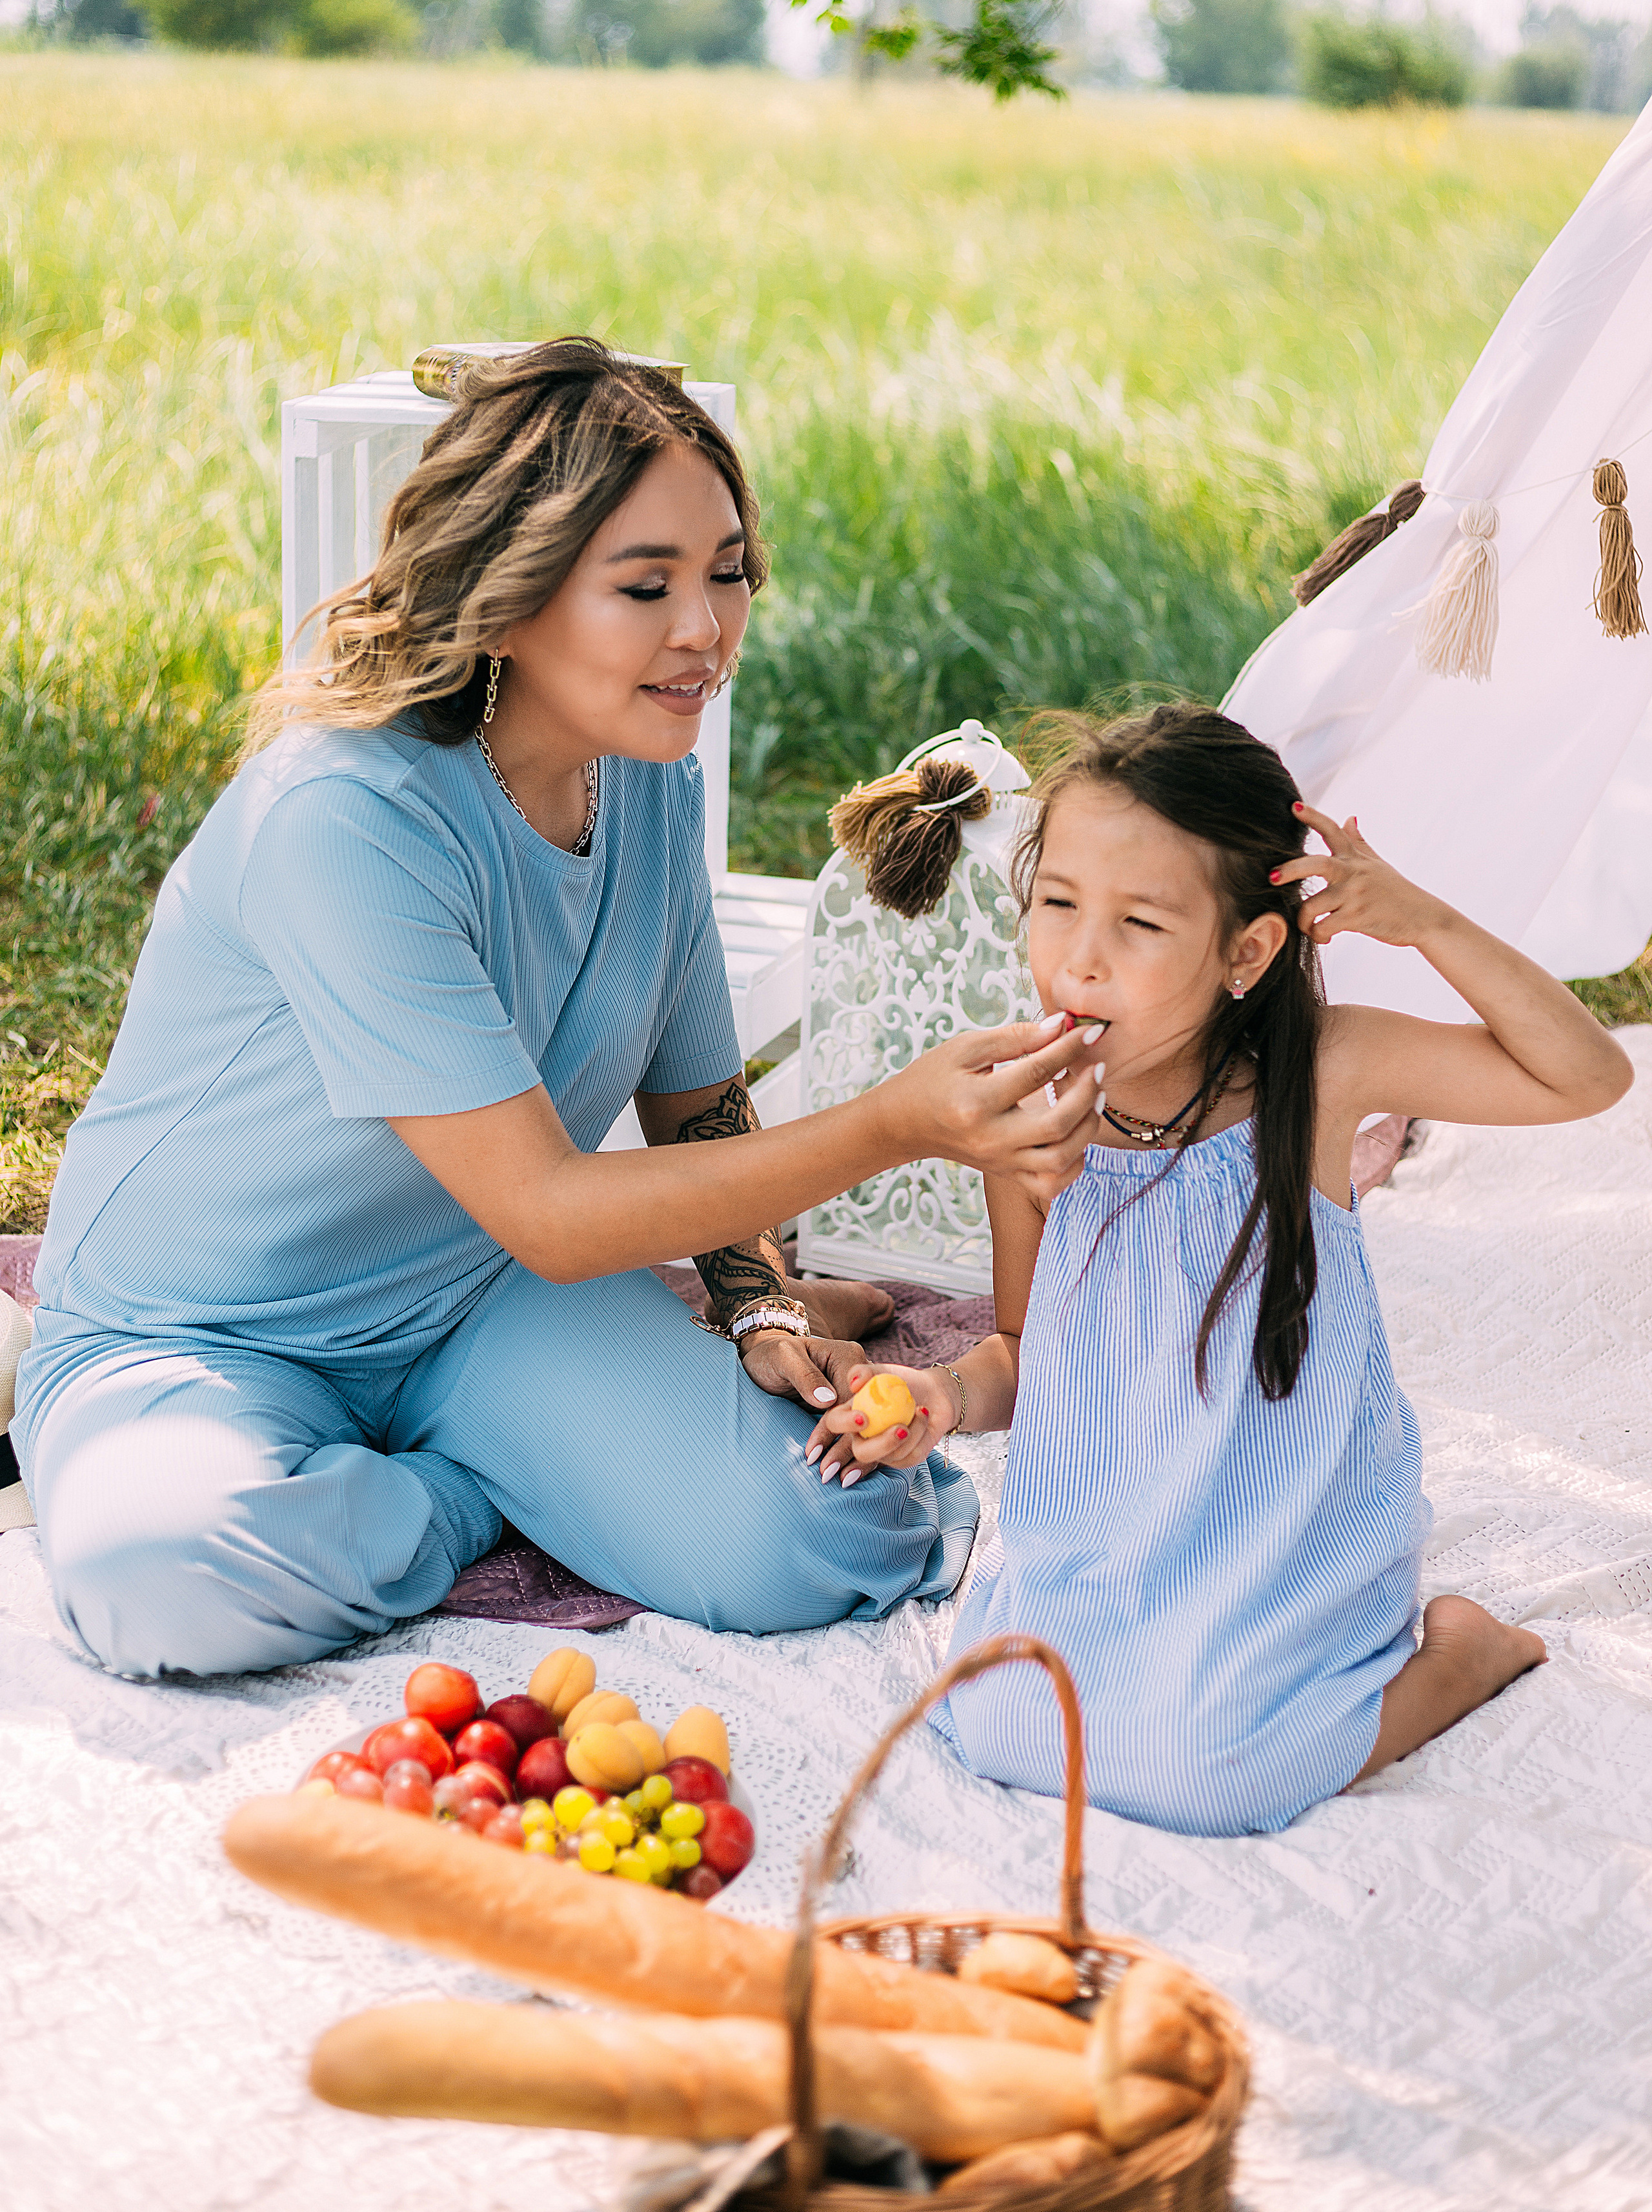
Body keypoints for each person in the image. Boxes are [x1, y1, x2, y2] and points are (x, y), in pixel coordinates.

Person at [13, 339, 1105, 1678]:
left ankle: (441, 1465)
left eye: (725, 576)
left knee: (834, 1529)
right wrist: (900, 1124)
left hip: (484, 1300)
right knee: (167, 1584)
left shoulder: (643, 774)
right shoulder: (342, 819)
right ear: (505, 598)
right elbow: (544, 1202)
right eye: (643, 586)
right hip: (210, 1328)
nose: (701, 630)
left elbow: (695, 1098)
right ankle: (472, 1493)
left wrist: (757, 1304)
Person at [805, 704, 1632, 1837]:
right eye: (1056, 905)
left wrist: (1426, 921)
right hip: (1106, 1521)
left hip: (1284, 1528)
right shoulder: (1024, 1115)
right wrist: (946, 1399)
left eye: (1140, 923)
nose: (1079, 957)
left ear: (1247, 950)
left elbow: (1586, 1078)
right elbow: (1028, 1354)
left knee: (1218, 1771)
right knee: (1001, 1722)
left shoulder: (1320, 1075)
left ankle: (1460, 1655)